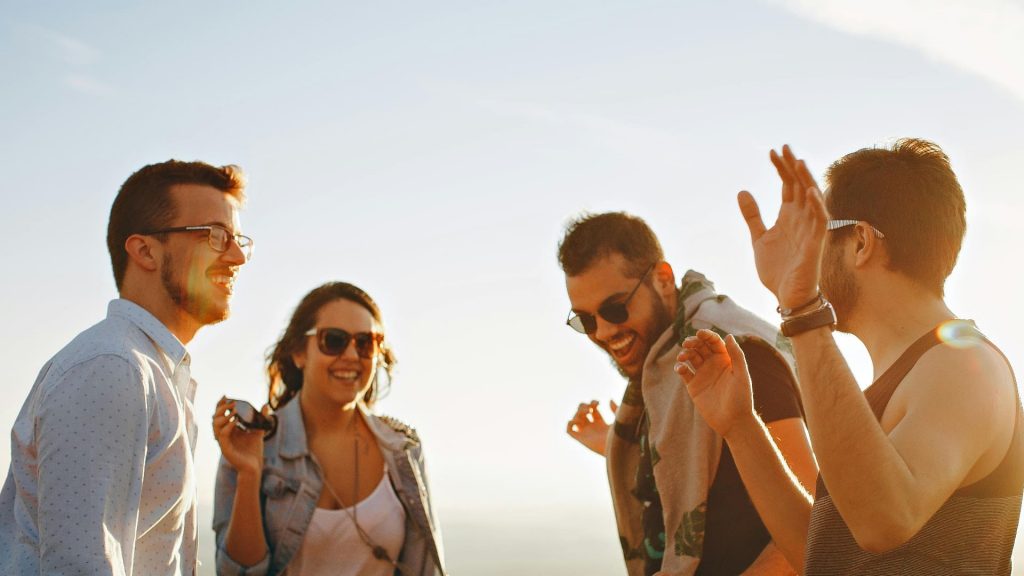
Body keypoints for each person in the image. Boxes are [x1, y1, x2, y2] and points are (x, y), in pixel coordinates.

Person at [676, 139, 1022, 574]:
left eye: (815, 235)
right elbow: (824, 556)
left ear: (860, 241)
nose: (805, 255)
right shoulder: (903, 379)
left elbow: (883, 521)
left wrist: (801, 309)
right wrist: (741, 427)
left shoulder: (964, 365)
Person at [0, 160, 251, 574]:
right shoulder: (113, 368)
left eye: (238, 238)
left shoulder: (155, 373)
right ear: (145, 250)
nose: (237, 256)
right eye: (215, 235)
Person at [559, 212, 816, 575]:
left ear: (663, 280)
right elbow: (704, 466)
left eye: (615, 309)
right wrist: (620, 443)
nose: (602, 331)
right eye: (585, 320)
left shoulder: (736, 354)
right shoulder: (665, 366)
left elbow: (812, 525)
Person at [212, 281, 446, 576]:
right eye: (334, 340)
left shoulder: (403, 449)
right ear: (299, 353)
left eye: (366, 343)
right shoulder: (254, 442)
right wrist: (249, 474)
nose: (351, 355)